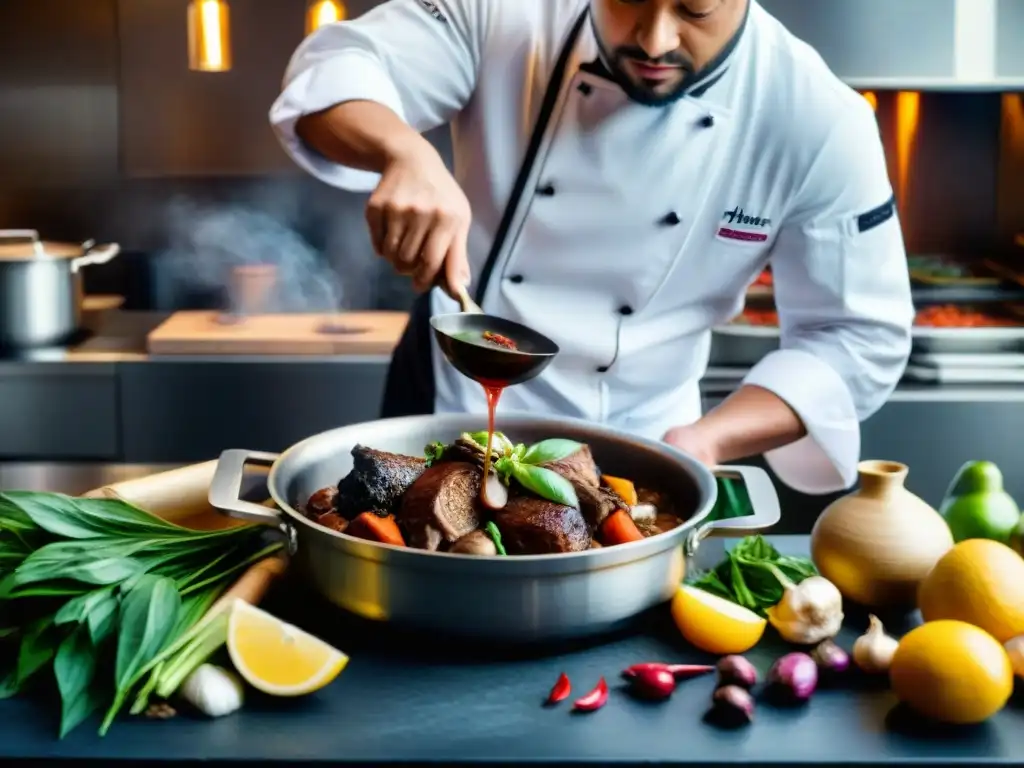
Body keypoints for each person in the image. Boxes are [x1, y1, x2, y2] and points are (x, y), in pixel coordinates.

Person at [269, 0, 914, 495]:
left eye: (694, 8)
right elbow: (333, 69)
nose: (655, 39)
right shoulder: (508, 13)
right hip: (450, 398)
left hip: (647, 437)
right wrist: (403, 151)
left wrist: (707, 439)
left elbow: (857, 337)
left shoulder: (818, 118)